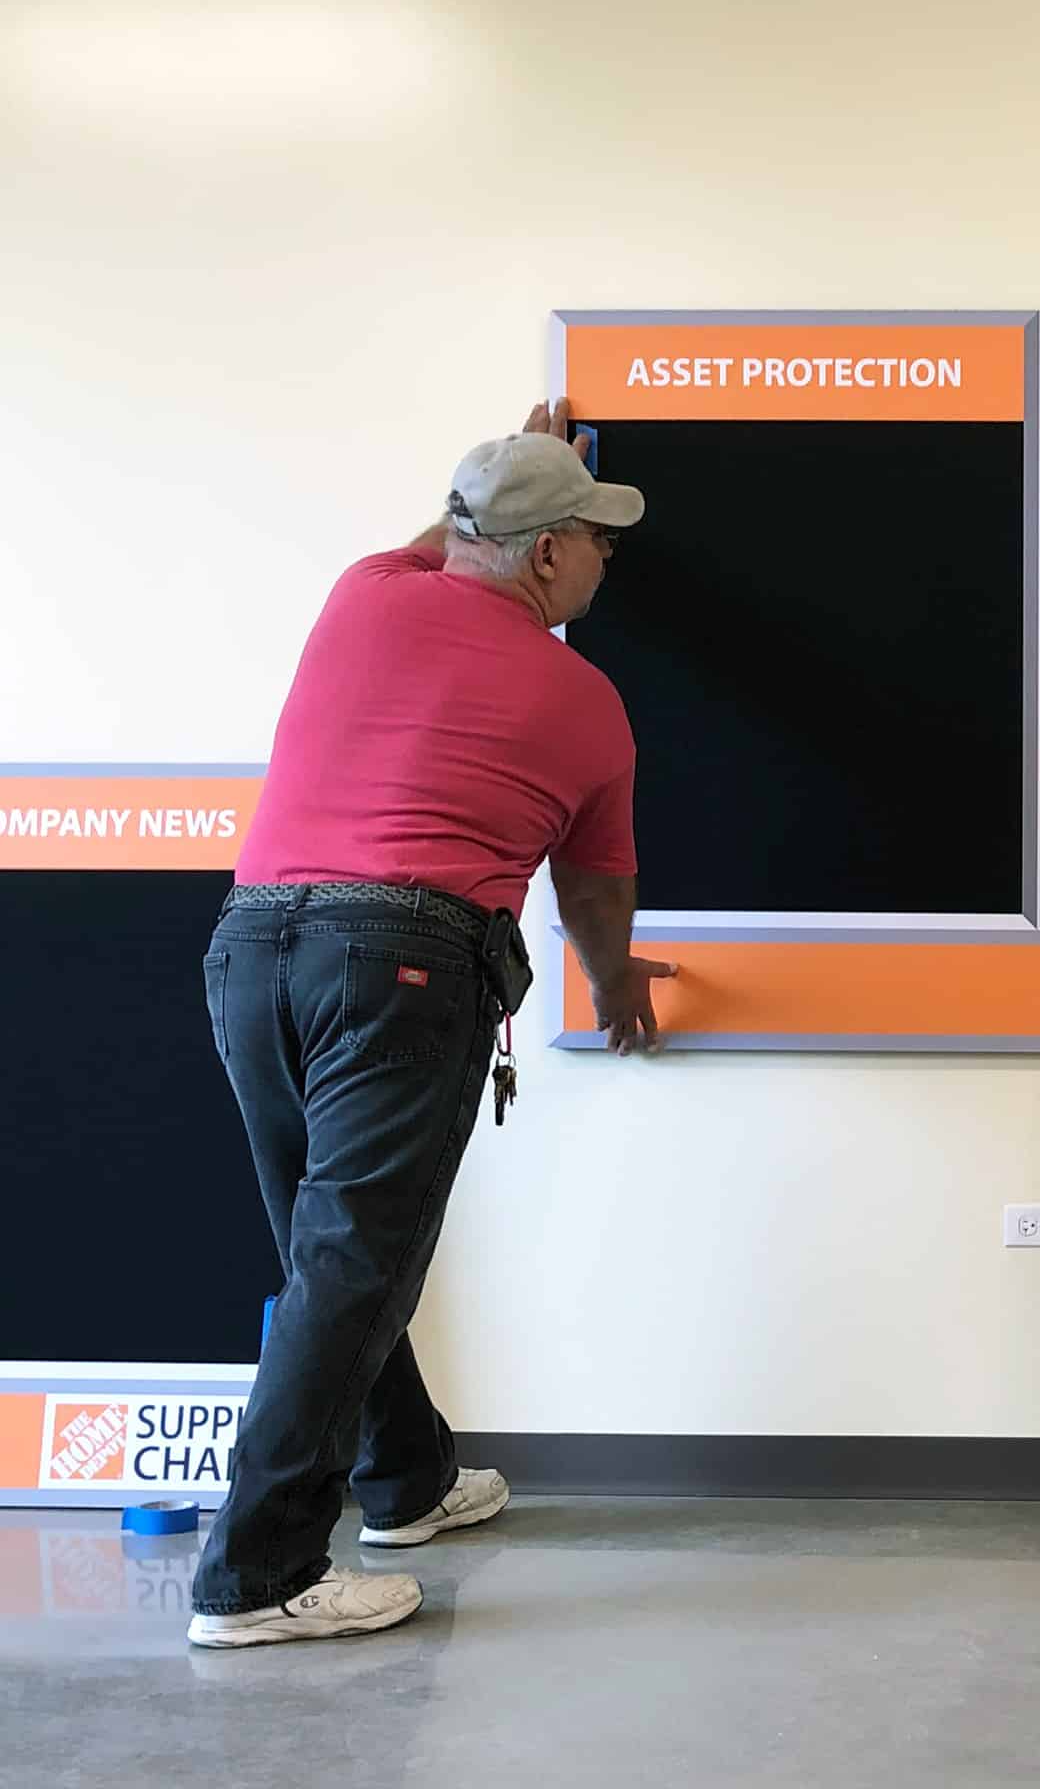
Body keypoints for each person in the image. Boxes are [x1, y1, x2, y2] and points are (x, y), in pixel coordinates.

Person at [188, 403, 675, 1649]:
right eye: (594, 536)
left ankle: (403, 1484)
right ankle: (257, 1577)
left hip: (252, 950)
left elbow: (445, 538)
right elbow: (595, 890)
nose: (609, 560)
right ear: (550, 555)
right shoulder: (585, 702)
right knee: (355, 1261)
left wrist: (508, 466)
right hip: (401, 963)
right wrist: (616, 985)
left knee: (336, 1253)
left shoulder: (367, 593)